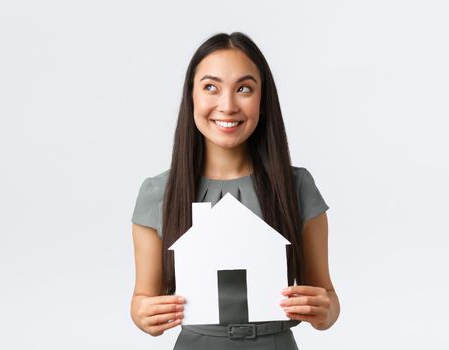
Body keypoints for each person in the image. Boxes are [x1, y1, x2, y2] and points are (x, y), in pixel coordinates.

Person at [130, 31, 340, 349]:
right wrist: (144, 314)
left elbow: (328, 300)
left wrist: (324, 312)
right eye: (211, 87)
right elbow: (141, 299)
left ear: (263, 99)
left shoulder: (296, 188)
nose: (227, 105)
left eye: (244, 89)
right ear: (191, 97)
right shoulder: (158, 193)